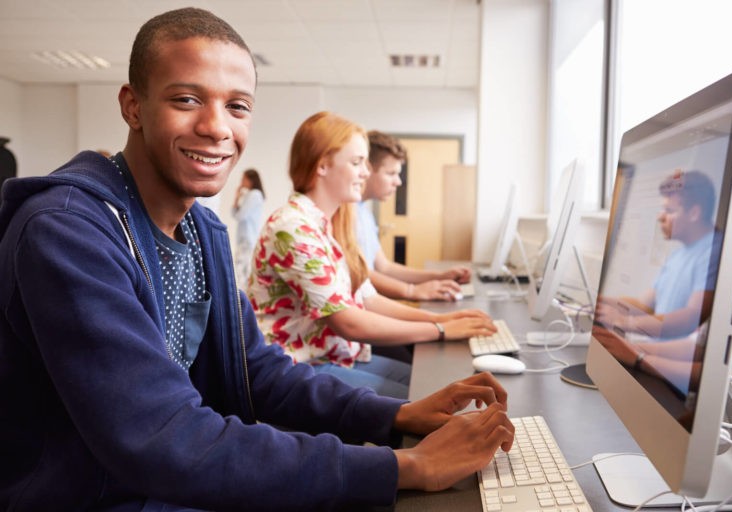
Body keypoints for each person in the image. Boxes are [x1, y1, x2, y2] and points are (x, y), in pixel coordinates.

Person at [0, 8, 516, 511]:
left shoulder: (202, 230)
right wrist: (406, 467)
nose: (216, 127)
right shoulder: (67, 233)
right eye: (186, 99)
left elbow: (256, 372)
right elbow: (163, 438)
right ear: (133, 106)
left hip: (165, 477)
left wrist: (399, 414)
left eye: (237, 106)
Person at [248, 112, 497, 398]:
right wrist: (440, 329)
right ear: (322, 166)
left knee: (432, 389)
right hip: (295, 368)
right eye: (356, 163)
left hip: (328, 355)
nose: (366, 172)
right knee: (424, 402)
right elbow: (349, 322)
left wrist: (440, 320)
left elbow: (369, 298)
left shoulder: (327, 225)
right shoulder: (293, 228)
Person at [596, 169, 719, 340]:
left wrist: (622, 322)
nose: (660, 217)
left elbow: (691, 317)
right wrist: (600, 302)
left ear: (694, 213)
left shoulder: (713, 252)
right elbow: (644, 305)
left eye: (669, 210)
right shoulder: (677, 255)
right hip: (652, 354)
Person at [357, 130, 472, 302]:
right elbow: (360, 274)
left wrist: (440, 276)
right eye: (391, 173)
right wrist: (411, 291)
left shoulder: (364, 213)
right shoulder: (345, 212)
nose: (398, 181)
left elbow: (384, 267)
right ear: (367, 170)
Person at [232, 167, 265, 287]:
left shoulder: (254, 195)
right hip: (245, 238)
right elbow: (234, 214)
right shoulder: (249, 195)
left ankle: (242, 302)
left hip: (248, 239)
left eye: (243, 179)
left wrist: (238, 198)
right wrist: (236, 197)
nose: (241, 181)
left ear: (251, 180)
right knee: (242, 271)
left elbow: (240, 215)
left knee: (242, 273)